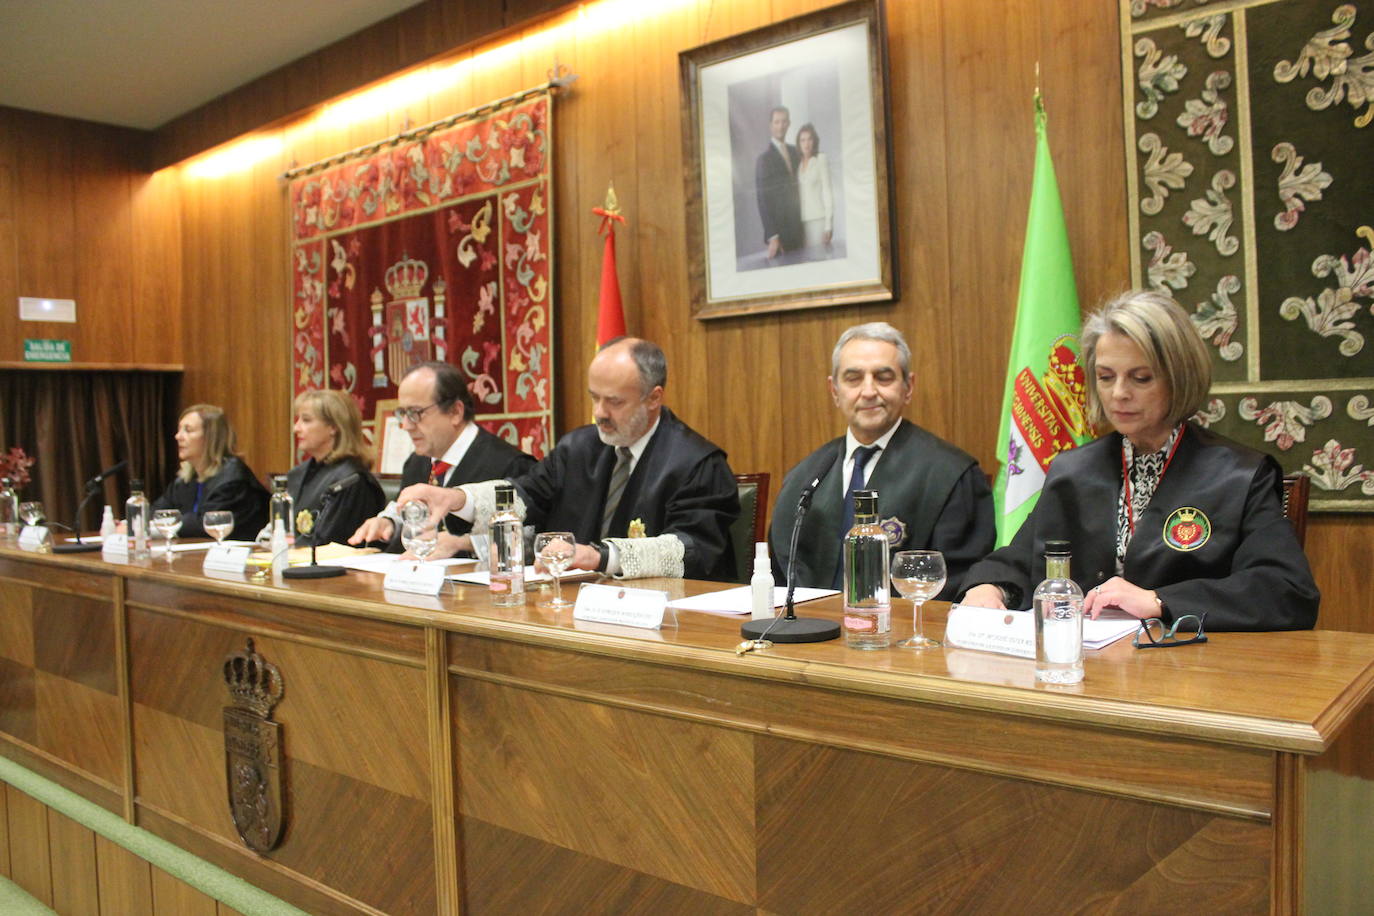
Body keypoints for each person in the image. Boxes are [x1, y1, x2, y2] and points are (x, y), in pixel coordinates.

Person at [961, 290, 1319, 630]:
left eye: (1141, 377)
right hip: (1086, 666)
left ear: (1179, 378)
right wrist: (991, 587)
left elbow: (1286, 590)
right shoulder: (1074, 470)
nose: (1119, 393)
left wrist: (1160, 600)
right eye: (1105, 377)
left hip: (1187, 669)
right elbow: (1019, 560)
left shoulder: (1240, 475)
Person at [399, 337, 740, 581]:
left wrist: (599, 557)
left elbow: (689, 550)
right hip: (576, 609)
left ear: (654, 398)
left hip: (666, 620)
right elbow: (524, 495)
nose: (599, 414)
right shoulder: (579, 448)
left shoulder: (697, 463)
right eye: (594, 398)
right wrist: (459, 498)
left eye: (615, 402)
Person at [769, 322, 994, 599]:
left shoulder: (952, 474)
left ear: (908, 386)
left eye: (883, 377)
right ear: (834, 390)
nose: (868, 391)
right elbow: (780, 577)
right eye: (853, 378)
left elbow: (958, 585)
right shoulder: (804, 477)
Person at [348, 361, 535, 555]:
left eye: (415, 413)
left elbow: (529, 541)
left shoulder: (509, 465)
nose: (405, 425)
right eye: (402, 413)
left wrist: (466, 543)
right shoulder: (417, 462)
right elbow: (412, 515)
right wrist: (388, 524)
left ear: (455, 412)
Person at [286, 389, 386, 547]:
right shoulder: (297, 475)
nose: (296, 428)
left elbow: (328, 544)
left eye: (306, 420)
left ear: (333, 426)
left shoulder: (351, 481)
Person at [152, 404, 268, 541]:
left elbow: (206, 524)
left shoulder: (233, 479)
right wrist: (132, 524)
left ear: (210, 437)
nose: (178, 436)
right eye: (179, 430)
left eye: (188, 430)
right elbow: (157, 511)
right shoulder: (186, 479)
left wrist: (154, 527)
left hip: (236, 558)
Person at [755, 106, 804, 262]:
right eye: (776, 122)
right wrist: (773, 236)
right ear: (771, 125)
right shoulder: (764, 159)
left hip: (800, 226)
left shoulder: (796, 152)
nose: (780, 126)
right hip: (781, 232)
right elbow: (762, 200)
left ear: (789, 124)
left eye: (784, 122)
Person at [795, 123, 833, 259]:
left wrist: (828, 225)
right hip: (802, 221)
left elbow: (827, 192)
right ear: (798, 143)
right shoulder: (798, 165)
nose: (806, 144)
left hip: (818, 220)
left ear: (814, 141)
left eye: (809, 139)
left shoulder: (820, 159)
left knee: (819, 259)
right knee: (806, 262)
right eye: (802, 140)